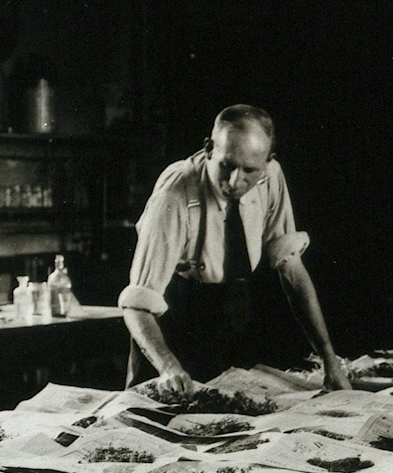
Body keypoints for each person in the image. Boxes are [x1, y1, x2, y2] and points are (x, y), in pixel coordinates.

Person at [119, 104, 350, 392]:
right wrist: (168, 368)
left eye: (249, 170)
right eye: (226, 165)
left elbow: (291, 268)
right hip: (170, 327)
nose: (234, 181)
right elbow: (137, 306)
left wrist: (330, 361)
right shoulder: (174, 196)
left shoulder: (271, 176)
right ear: (208, 149)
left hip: (228, 320)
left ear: (267, 162)